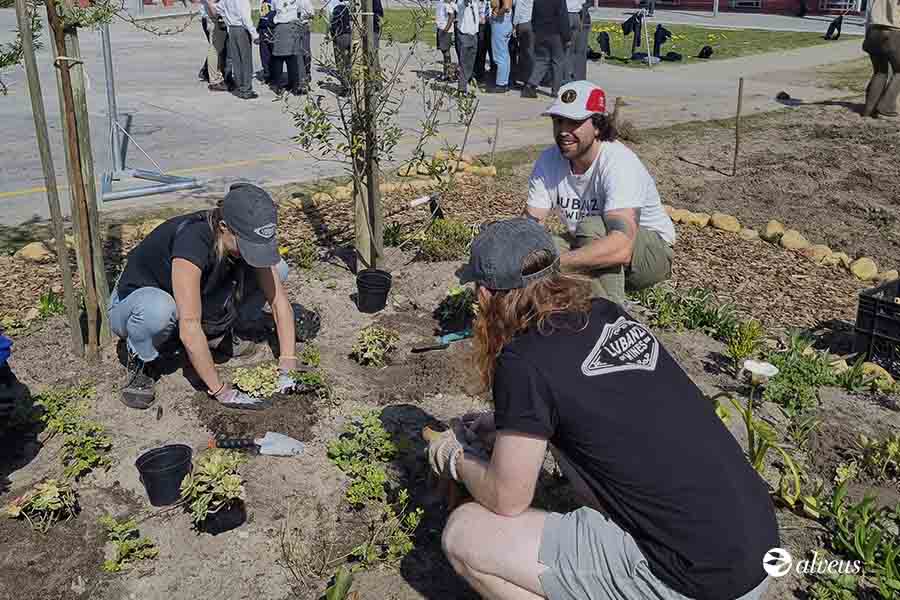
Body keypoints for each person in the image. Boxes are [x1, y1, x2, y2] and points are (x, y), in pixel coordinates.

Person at [428, 217, 778, 600]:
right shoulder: (606, 314)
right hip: (754, 547)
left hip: (696, 579)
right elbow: (603, 406)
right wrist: (505, 424)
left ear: (484, 294)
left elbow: (507, 500)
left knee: (466, 535)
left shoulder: (522, 361)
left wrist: (455, 457)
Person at [108, 184, 298, 410]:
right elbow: (189, 324)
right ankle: (142, 359)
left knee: (280, 268)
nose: (251, 252)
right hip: (136, 305)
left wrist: (288, 363)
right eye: (246, 245)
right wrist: (221, 390)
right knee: (158, 310)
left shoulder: (238, 238)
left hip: (190, 301)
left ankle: (220, 332)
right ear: (223, 227)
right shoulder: (193, 240)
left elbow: (278, 301)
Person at [526, 80, 674, 305]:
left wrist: (555, 265)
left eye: (573, 122)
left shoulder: (618, 162)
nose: (563, 131)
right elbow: (529, 227)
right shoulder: (549, 160)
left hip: (648, 256)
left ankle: (612, 318)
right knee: (545, 247)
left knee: (592, 226)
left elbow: (622, 248)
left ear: (597, 126)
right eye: (558, 121)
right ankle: (570, 314)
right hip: (590, 243)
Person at [522, 0, 569, 99]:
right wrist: (567, 36)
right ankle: (556, 90)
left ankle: (530, 85)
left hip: (540, 33)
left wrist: (535, 32)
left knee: (541, 60)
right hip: (555, 33)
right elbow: (563, 18)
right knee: (558, 62)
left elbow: (534, 16)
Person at [862, 0, 900, 118]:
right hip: (892, 30)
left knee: (880, 72)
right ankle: (886, 107)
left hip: (873, 30)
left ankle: (868, 111)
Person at [220, 0, 259, 99]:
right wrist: (254, 34)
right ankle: (246, 90)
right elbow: (246, 18)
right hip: (241, 29)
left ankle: (240, 87)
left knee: (236, 60)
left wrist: (228, 24)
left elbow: (220, 9)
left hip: (232, 28)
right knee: (245, 61)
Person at [270, 0, 307, 95]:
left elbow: (273, 10)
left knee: (278, 59)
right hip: (291, 26)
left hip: (279, 27)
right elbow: (304, 10)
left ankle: (278, 86)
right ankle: (295, 87)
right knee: (292, 59)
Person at [456, 0, 482, 94]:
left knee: (471, 64)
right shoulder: (461, 2)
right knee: (464, 63)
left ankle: (468, 87)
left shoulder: (474, 3)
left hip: (474, 35)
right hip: (464, 35)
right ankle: (461, 89)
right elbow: (465, 2)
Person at [487, 0, 514, 93]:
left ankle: (500, 84)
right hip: (506, 22)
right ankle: (504, 82)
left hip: (500, 24)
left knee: (500, 56)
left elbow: (506, 6)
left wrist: (498, 13)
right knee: (505, 55)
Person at [204, 0, 230, 92]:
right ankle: (214, 80)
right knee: (215, 49)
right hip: (215, 19)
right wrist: (217, 14)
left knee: (218, 50)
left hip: (215, 17)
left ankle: (218, 76)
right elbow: (210, 2)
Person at [512, 0, 535, 92]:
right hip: (532, 22)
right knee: (530, 52)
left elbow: (518, 9)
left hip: (523, 23)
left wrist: (514, 25)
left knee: (525, 53)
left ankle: (526, 80)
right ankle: (529, 79)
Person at [436, 0, 458, 82]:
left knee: (446, 52)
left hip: (445, 30)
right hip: (440, 28)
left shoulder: (447, 4)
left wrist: (445, 30)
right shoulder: (440, 2)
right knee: (444, 51)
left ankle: (448, 74)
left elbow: (451, 16)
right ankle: (446, 73)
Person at [474, 0, 495, 84]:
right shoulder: (477, 2)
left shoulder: (492, 2)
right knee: (481, 50)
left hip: (492, 25)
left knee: (492, 49)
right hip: (481, 26)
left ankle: (493, 71)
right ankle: (479, 73)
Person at [257, 0, 276, 84]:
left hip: (272, 28)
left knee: (274, 54)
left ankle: (275, 76)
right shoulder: (263, 1)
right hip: (263, 28)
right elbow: (262, 16)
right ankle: (267, 74)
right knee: (264, 54)